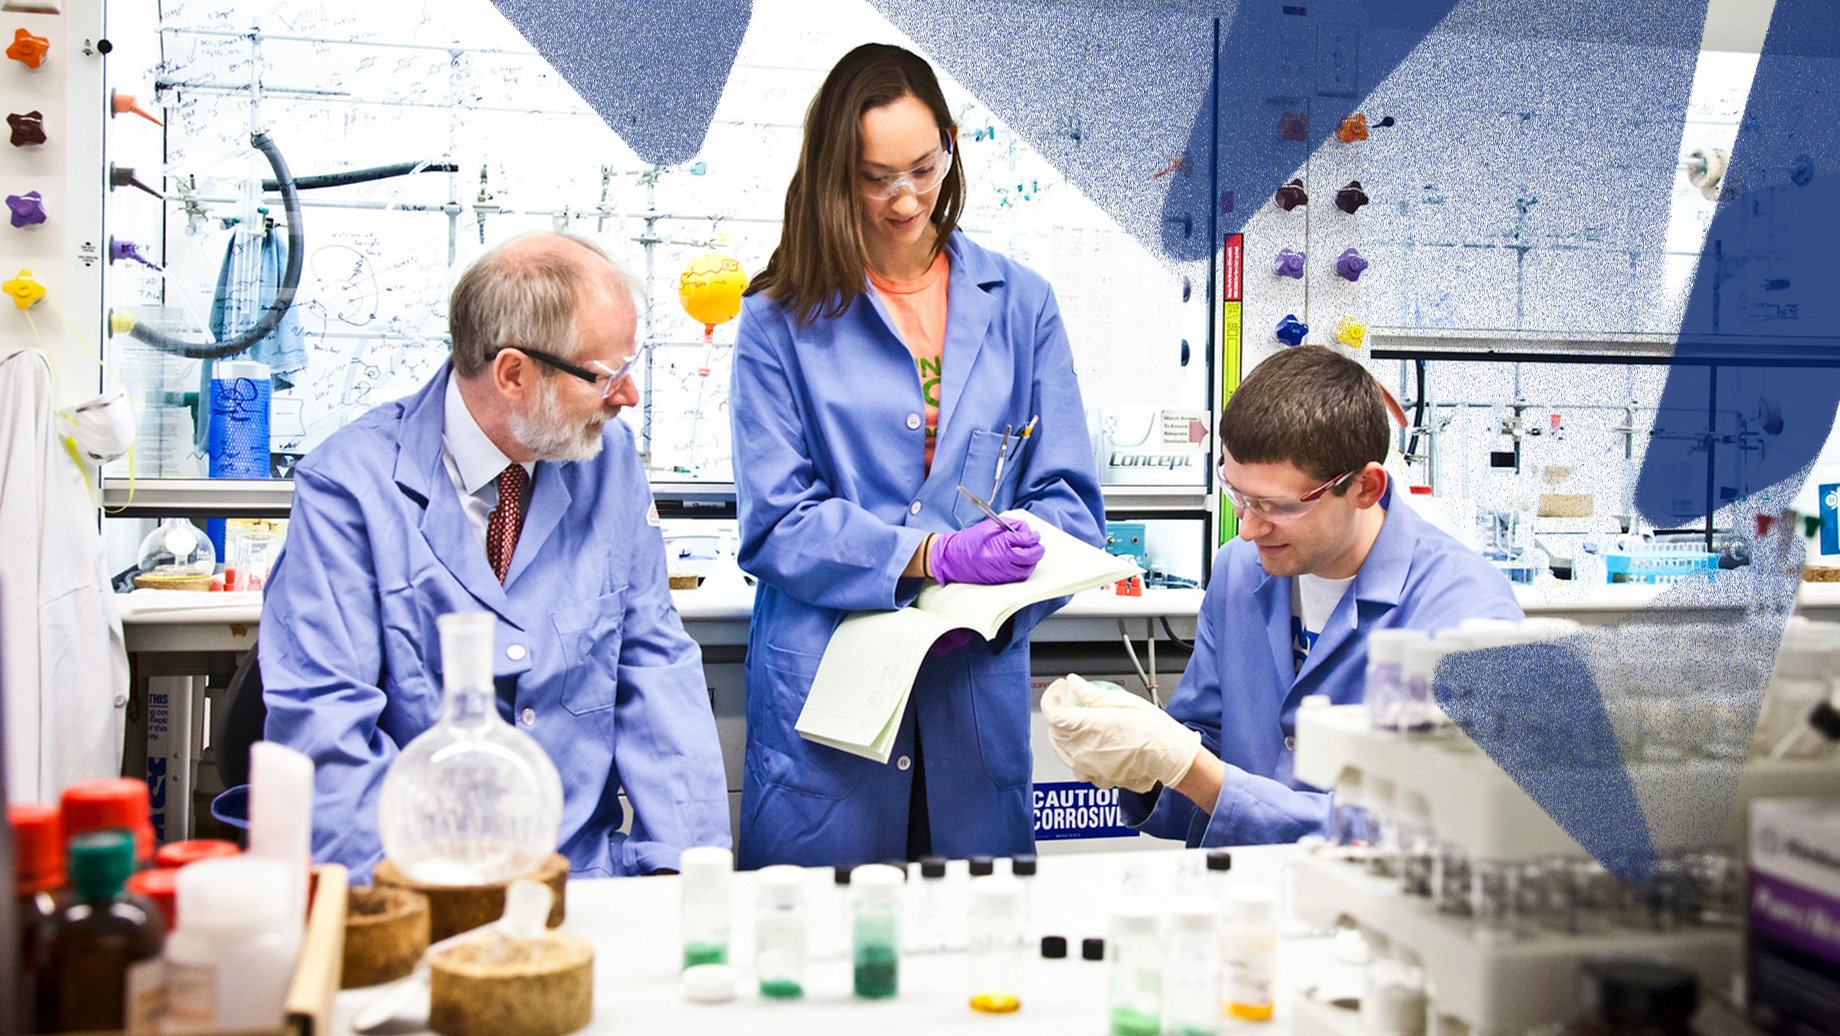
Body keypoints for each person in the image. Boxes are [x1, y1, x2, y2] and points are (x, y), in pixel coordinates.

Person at [730, 43, 1105, 869]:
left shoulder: (1022, 305)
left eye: (923, 168)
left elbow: (1070, 504)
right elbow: (775, 522)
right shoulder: (779, 317)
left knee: (979, 964)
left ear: (951, 144)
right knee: (819, 961)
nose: (905, 198)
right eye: (874, 177)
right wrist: (929, 557)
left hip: (972, 694)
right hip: (830, 690)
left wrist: (995, 602)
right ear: (834, 172)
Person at [261, 232, 731, 882]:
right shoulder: (350, 489)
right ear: (512, 373)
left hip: (582, 873)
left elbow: (656, 668)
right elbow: (326, 733)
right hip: (418, 881)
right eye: (604, 375)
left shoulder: (608, 463)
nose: (628, 398)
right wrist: (429, 903)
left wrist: (689, 878)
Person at [1043, 345, 1522, 846]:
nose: (1248, 528)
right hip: (1240, 901)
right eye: (1238, 495)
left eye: (1275, 505)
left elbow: (1421, 832)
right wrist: (1135, 759)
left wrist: (1193, 770)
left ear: (1366, 487)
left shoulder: (1467, 615)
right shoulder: (1238, 570)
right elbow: (1201, 745)